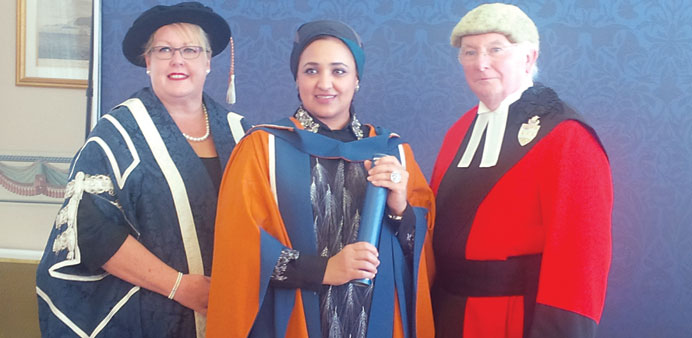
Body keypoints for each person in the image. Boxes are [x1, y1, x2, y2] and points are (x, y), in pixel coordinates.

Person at [206, 20, 435, 338]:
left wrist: (400, 209)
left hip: (378, 319)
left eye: (339, 71)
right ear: (296, 79)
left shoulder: (393, 151)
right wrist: (326, 270)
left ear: (357, 80)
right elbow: (240, 247)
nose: (324, 83)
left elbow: (422, 257)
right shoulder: (263, 147)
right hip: (294, 319)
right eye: (311, 70)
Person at [35, 2, 250, 337]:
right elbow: (92, 232)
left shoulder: (241, 134)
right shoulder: (115, 135)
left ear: (208, 62)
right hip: (147, 317)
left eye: (190, 50)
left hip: (229, 314)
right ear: (147, 62)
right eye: (164, 50)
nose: (177, 60)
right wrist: (180, 286)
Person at [429, 3, 613, 338]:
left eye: (495, 49)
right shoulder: (457, 132)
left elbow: (580, 266)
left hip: (514, 321)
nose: (481, 63)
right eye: (470, 52)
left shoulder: (566, 135)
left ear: (529, 57)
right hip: (444, 314)